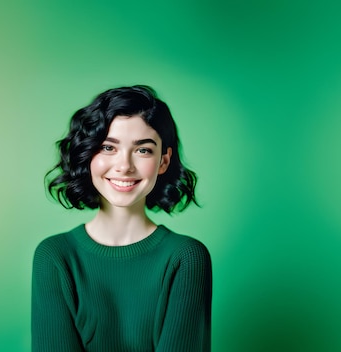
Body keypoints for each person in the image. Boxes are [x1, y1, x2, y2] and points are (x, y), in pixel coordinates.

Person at [32, 85, 212, 351]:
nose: (124, 166)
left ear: (164, 161)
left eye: (143, 150)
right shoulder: (55, 256)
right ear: (88, 154)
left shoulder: (186, 257)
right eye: (108, 147)